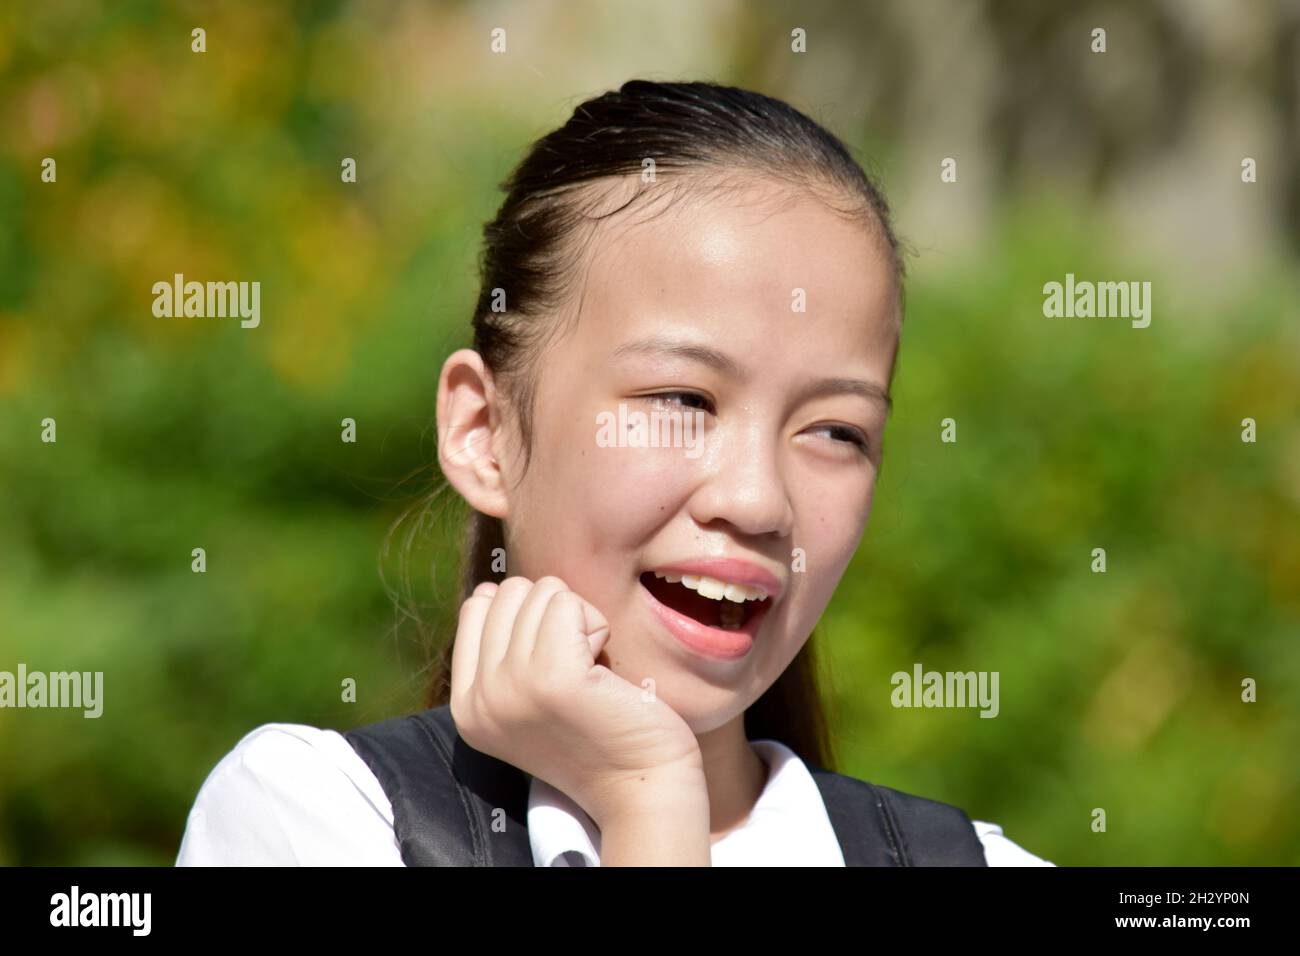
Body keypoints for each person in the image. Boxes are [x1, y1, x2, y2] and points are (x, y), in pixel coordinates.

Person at [177, 79, 1054, 867]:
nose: (756, 500)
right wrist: (646, 800)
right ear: (484, 431)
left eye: (834, 431)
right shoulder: (314, 817)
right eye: (682, 398)